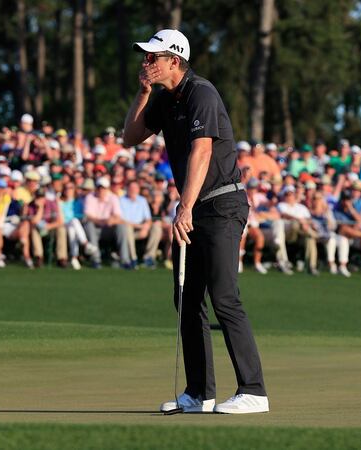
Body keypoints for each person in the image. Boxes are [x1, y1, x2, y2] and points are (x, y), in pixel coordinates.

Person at [124, 29, 268, 414]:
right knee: (187, 299)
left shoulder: (201, 92)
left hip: (222, 205)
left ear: (175, 59)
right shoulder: (165, 100)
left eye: (153, 57)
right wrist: (143, 94)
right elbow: (130, 136)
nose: (147, 62)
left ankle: (254, 391)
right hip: (195, 208)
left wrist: (184, 207)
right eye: (146, 56)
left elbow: (202, 152)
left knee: (223, 295)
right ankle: (199, 394)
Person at [120, 180, 161, 269]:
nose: (133, 190)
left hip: (141, 228)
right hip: (128, 228)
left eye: (135, 188)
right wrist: (140, 227)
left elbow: (148, 218)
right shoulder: (121, 200)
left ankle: (149, 257)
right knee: (127, 228)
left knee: (156, 227)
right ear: (127, 189)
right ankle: (133, 258)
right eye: (131, 188)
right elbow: (122, 220)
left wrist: (146, 227)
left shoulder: (142, 200)